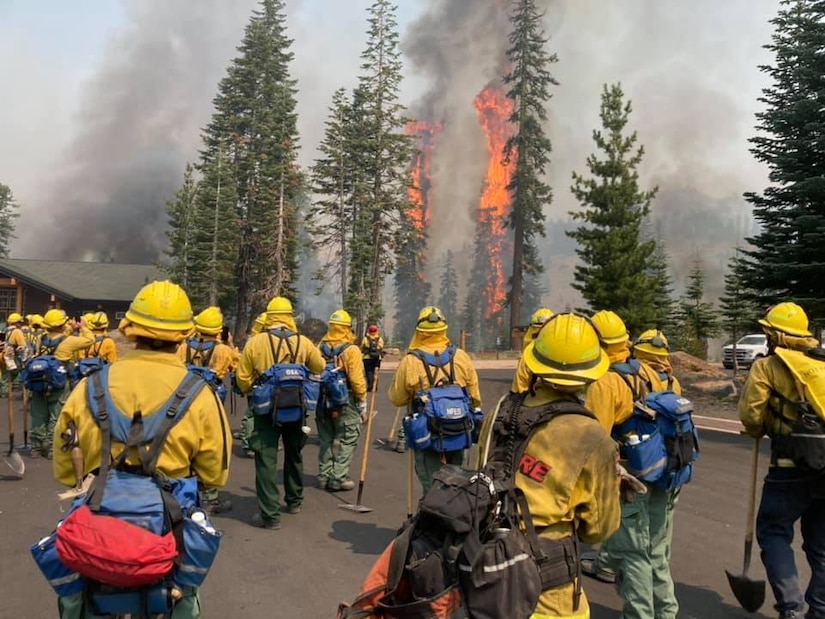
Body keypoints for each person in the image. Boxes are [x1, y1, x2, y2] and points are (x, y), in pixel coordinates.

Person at [52, 280, 231, 618]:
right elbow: (214, 474)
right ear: (183, 335)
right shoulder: (201, 394)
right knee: (182, 598)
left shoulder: (89, 387)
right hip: (167, 537)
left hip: (97, 534)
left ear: (129, 328)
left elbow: (64, 469)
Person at [485, 312, 622, 618]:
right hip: (548, 584)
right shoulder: (594, 438)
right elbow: (599, 529)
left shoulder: (501, 410)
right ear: (590, 373)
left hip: (486, 564)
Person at [739, 302, 824, 619]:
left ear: (775, 335)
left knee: (774, 531)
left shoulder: (769, 366)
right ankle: (821, 609)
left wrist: (757, 427)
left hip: (790, 468)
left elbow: (750, 415)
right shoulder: (823, 364)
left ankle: (792, 608)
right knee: (822, 545)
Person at [591, 327, 683, 619]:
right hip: (665, 472)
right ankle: (666, 613)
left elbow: (595, 440)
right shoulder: (655, 376)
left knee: (633, 554)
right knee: (656, 550)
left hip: (631, 476)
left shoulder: (606, 382)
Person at [236, 296, 325, 530]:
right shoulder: (302, 341)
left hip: (265, 410)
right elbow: (319, 367)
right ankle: (294, 501)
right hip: (296, 407)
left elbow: (242, 377)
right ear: (289, 317)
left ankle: (270, 515)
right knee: (294, 453)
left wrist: (250, 392)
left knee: (266, 459)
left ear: (270, 316)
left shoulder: (256, 342)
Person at [388, 306, 481, 493]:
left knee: (432, 488)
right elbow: (475, 399)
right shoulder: (461, 357)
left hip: (427, 434)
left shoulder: (411, 361)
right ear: (444, 330)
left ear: (419, 332)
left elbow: (397, 399)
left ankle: (432, 517)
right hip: (459, 431)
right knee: (456, 485)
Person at [178, 306, 236, 515]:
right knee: (210, 445)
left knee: (185, 442)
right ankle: (210, 498)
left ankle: (184, 492)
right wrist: (229, 344)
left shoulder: (184, 347)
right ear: (218, 329)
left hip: (184, 398)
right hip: (210, 399)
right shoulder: (222, 350)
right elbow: (235, 366)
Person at [28, 309, 92, 458]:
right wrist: (82, 327)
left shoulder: (41, 339)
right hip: (59, 383)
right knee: (56, 416)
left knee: (38, 415)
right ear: (62, 325)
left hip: (39, 382)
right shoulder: (68, 341)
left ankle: (36, 447)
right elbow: (90, 340)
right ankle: (51, 447)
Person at [317, 310, 368, 492]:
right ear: (348, 328)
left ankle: (324, 475)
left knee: (326, 439)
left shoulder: (320, 347)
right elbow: (356, 379)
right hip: (345, 400)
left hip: (323, 399)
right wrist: (362, 400)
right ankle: (338, 477)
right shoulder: (351, 350)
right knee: (348, 438)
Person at [360, 324, 384, 392]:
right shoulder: (379, 338)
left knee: (368, 372)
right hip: (377, 358)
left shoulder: (366, 338)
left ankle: (370, 385)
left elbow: (362, 347)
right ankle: (375, 386)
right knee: (376, 372)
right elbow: (381, 347)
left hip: (367, 358)